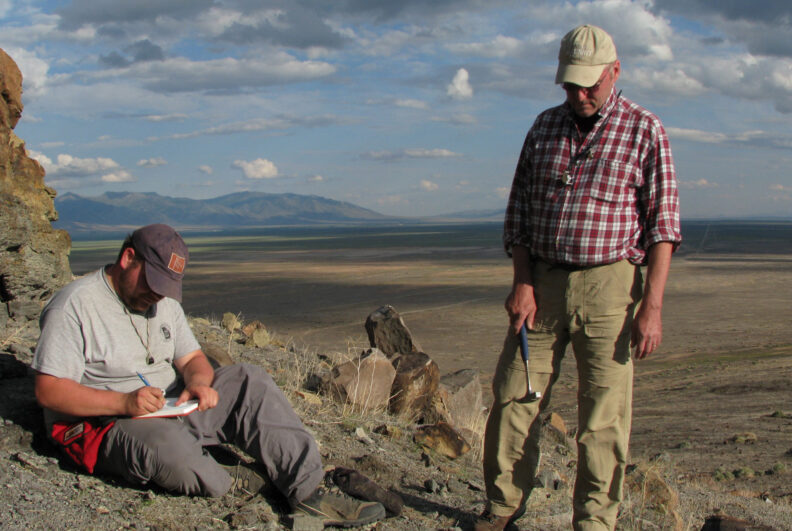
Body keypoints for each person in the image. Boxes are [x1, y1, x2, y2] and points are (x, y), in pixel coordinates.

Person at [32, 223, 385, 528]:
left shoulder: (161, 300)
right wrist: (124, 402)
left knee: (249, 380)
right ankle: (238, 479)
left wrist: (199, 382)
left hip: (169, 405)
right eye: (152, 282)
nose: (156, 294)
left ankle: (308, 489)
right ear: (128, 258)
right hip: (107, 421)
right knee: (169, 452)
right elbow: (49, 391)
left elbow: (193, 359)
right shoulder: (73, 306)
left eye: (165, 286)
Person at [476, 25, 681, 531]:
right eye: (571, 85)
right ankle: (502, 508)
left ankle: (594, 522)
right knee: (513, 396)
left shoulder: (644, 130)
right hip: (541, 283)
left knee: (603, 418)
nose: (581, 95)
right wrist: (522, 280)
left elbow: (663, 225)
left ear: (615, 71)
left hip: (610, 286)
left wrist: (651, 307)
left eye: (590, 84)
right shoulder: (544, 127)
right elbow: (519, 212)